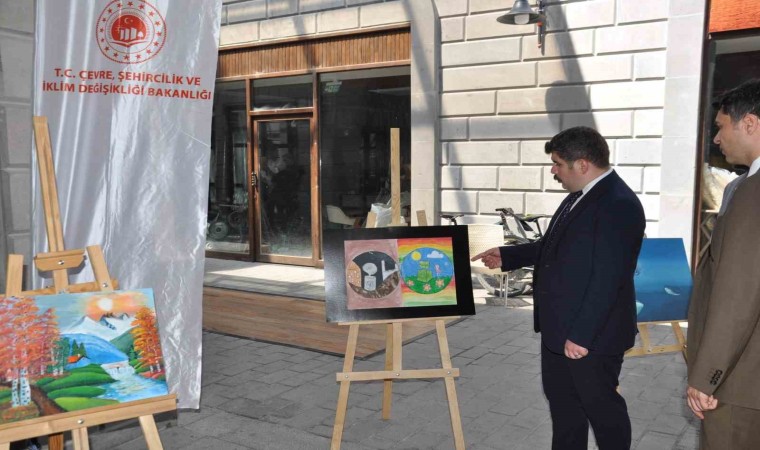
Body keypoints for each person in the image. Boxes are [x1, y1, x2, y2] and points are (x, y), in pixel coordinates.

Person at [472, 126, 645, 450]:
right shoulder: (579, 196)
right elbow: (554, 245)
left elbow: (609, 278)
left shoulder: (617, 204)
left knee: (602, 411)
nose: (553, 171)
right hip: (560, 330)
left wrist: (582, 336)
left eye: (557, 163)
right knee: (565, 410)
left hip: (590, 337)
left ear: (582, 164)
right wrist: (508, 255)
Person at [686, 79, 760, 449]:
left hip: (741, 382)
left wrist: (707, 376)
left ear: (750, 123)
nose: (716, 139)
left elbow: (738, 295)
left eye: (720, 126)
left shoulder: (753, 191)